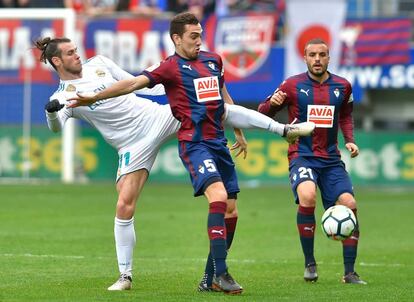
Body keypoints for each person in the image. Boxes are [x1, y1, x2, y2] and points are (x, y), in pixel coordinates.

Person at [36, 35, 313, 293]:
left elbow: (132, 83)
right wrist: (51, 114)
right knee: (124, 203)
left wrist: (171, 99)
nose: (77, 55)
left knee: (213, 107)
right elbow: (57, 127)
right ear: (57, 61)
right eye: (70, 53)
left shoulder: (99, 63)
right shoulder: (62, 96)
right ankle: (125, 276)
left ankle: (282, 129)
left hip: (155, 116)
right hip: (131, 144)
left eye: (75, 50)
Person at [258, 38, 366, 285]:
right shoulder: (291, 85)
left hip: (330, 160)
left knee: (350, 203)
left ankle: (350, 273)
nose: (317, 59)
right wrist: (271, 105)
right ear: (305, 58)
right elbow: (263, 114)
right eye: (312, 55)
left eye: (322, 55)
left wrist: (349, 139)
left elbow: (346, 116)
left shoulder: (343, 86)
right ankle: (310, 263)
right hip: (302, 156)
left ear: (329, 58)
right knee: (307, 196)